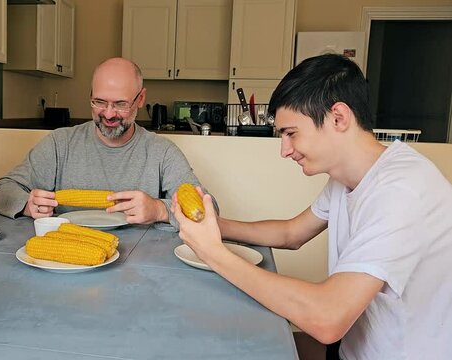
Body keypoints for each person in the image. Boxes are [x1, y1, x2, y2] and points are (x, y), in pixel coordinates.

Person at [172, 54, 452, 360]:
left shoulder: (402, 191)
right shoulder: (347, 177)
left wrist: (213, 253)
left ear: (338, 118)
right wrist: (216, 227)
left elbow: (328, 318)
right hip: (351, 348)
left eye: (291, 133)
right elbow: (292, 232)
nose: (285, 150)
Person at [0, 57, 216, 226]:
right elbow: (0, 191)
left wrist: (160, 210)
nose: (108, 114)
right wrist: (27, 204)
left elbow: (209, 209)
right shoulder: (60, 144)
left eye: (120, 104)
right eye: (99, 102)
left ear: (141, 99)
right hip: (69, 258)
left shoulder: (162, 152)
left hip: (140, 264)